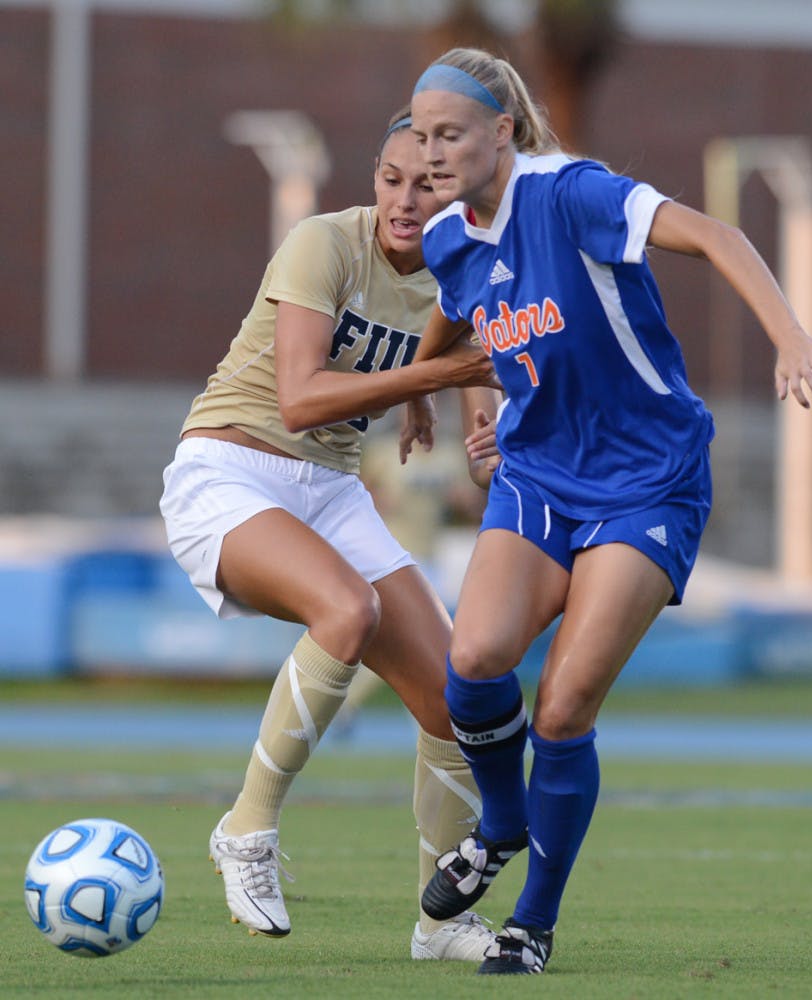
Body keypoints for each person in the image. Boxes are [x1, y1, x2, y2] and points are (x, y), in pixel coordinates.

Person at [405, 48, 812, 975]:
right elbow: (454, 320)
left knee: (561, 709)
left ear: (503, 133)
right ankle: (502, 822)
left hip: (648, 481)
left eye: (451, 133)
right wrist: (433, 399)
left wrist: (792, 333)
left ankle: (531, 923)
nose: (432, 152)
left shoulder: (575, 196)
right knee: (475, 660)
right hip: (537, 477)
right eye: (422, 134)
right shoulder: (449, 237)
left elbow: (720, 235)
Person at [159, 107, 502, 962]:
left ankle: (440, 924)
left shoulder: (466, 272)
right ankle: (246, 830)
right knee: (345, 611)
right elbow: (302, 401)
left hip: (331, 491)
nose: (404, 200)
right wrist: (441, 376)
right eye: (391, 179)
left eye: (428, 184)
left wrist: (483, 433)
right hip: (229, 471)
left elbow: (472, 374)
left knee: (458, 705)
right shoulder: (325, 242)